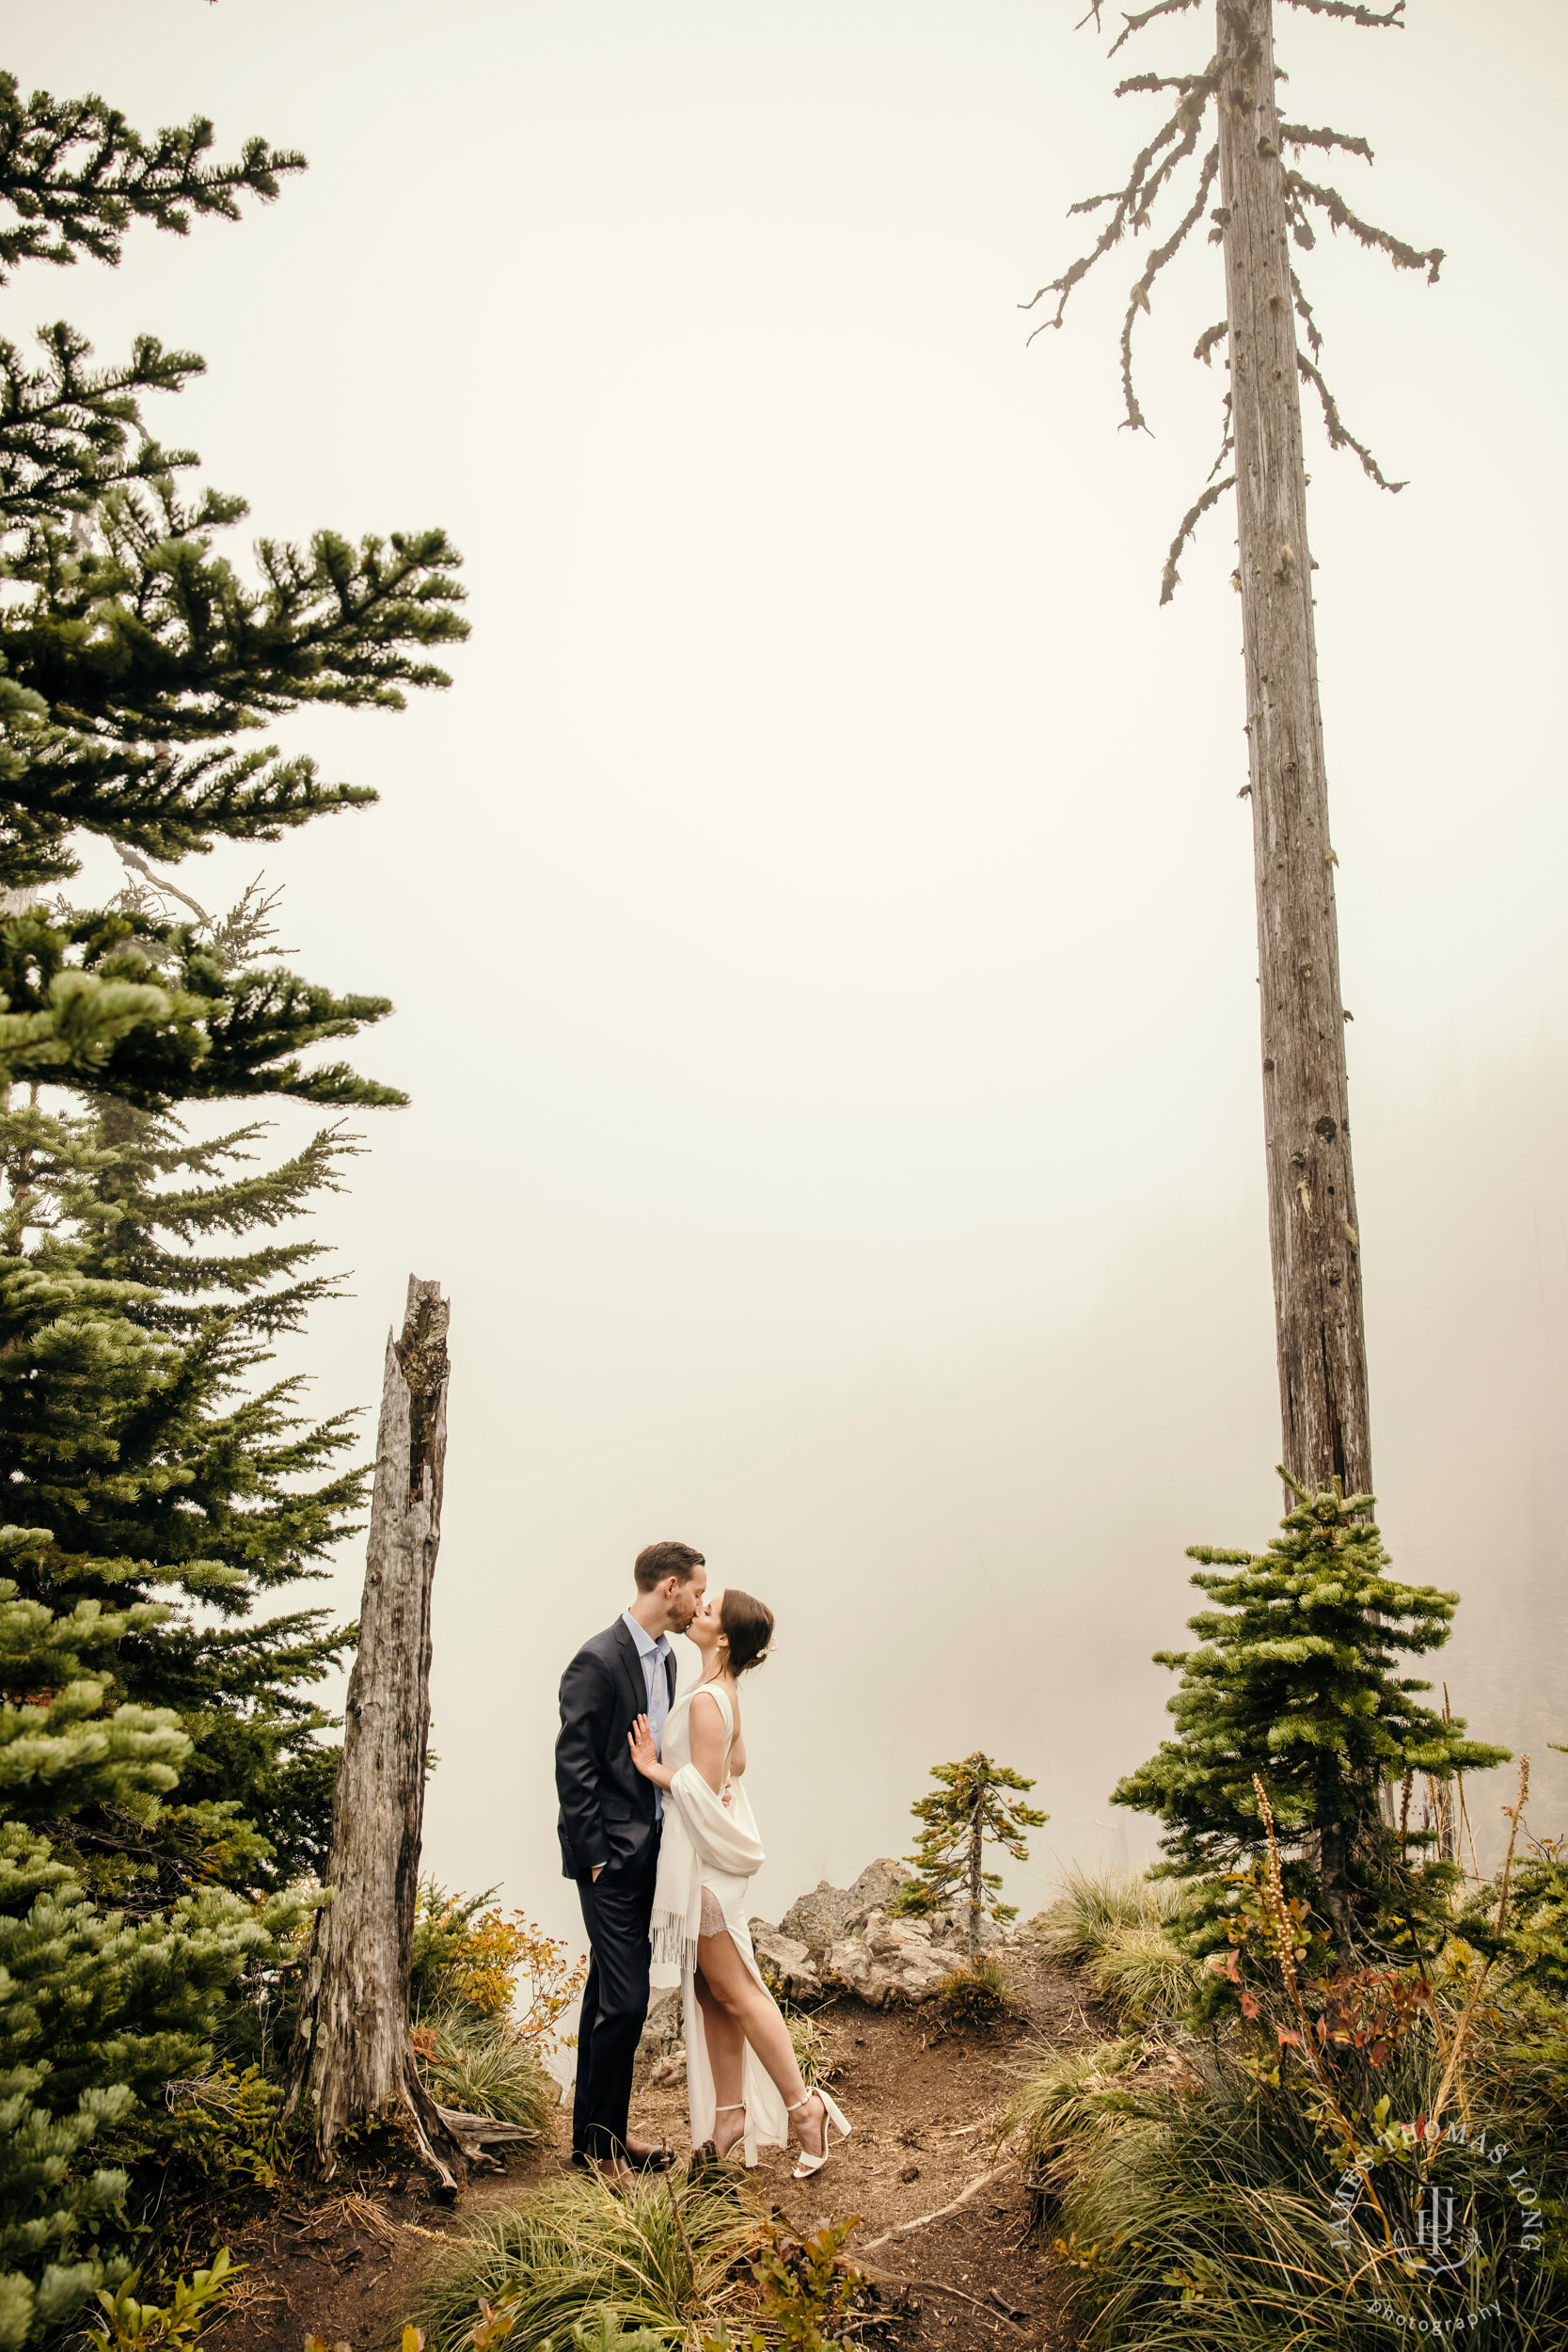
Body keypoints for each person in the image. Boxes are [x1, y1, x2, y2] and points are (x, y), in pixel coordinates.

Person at [627, 1584, 850, 2178]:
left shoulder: (706, 1700)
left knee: (741, 1993)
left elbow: (701, 1788)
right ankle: (729, 2115)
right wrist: (709, 1774)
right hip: (707, 1870)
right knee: (711, 1996)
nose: (697, 1609)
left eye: (709, 1609)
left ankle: (805, 2109)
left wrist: (656, 1769)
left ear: (722, 1637)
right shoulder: (721, 1693)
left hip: (704, 1878)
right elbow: (737, 1765)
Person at [555, 1538, 708, 2181]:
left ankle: (600, 2142)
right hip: (609, 1861)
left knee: (605, 1999)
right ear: (668, 1586)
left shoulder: (667, 1659)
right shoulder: (596, 1659)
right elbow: (574, 1764)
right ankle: (599, 2151)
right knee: (624, 2001)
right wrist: (594, 1858)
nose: (700, 1603)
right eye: (697, 1591)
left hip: (650, 1852)